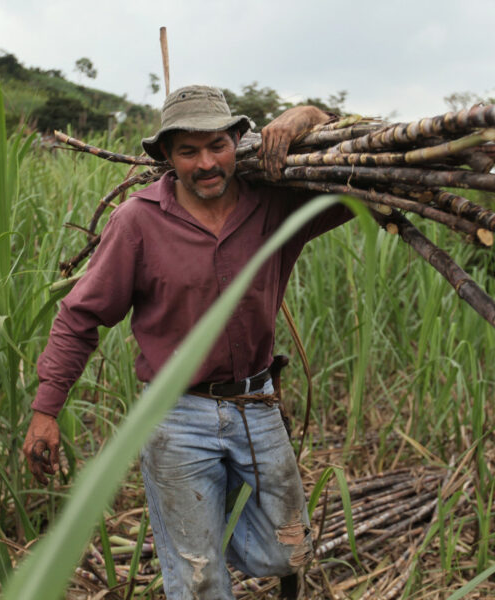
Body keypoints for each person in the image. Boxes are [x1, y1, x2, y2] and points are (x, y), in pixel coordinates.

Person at [23, 85, 352, 599]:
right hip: (176, 417)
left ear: (238, 142)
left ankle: (204, 512)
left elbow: (359, 187)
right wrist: (47, 410)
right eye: (187, 151)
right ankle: (191, 533)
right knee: (197, 578)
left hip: (256, 405)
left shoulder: (273, 204)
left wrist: (311, 114)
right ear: (165, 157)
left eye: (216, 145)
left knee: (286, 552)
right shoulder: (137, 222)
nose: (205, 163)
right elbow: (80, 316)